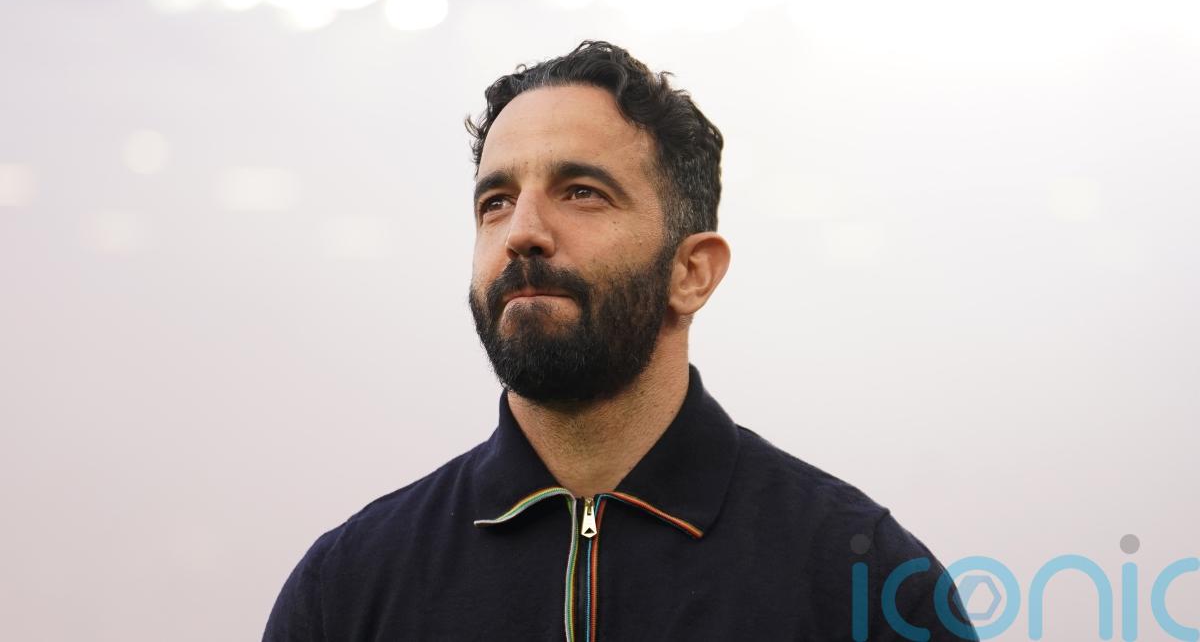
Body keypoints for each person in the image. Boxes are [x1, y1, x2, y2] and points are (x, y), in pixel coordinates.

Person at [264, 40, 978, 641]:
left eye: (581, 192)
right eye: (496, 202)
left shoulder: (864, 580)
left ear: (692, 273)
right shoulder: (349, 586)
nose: (522, 233)